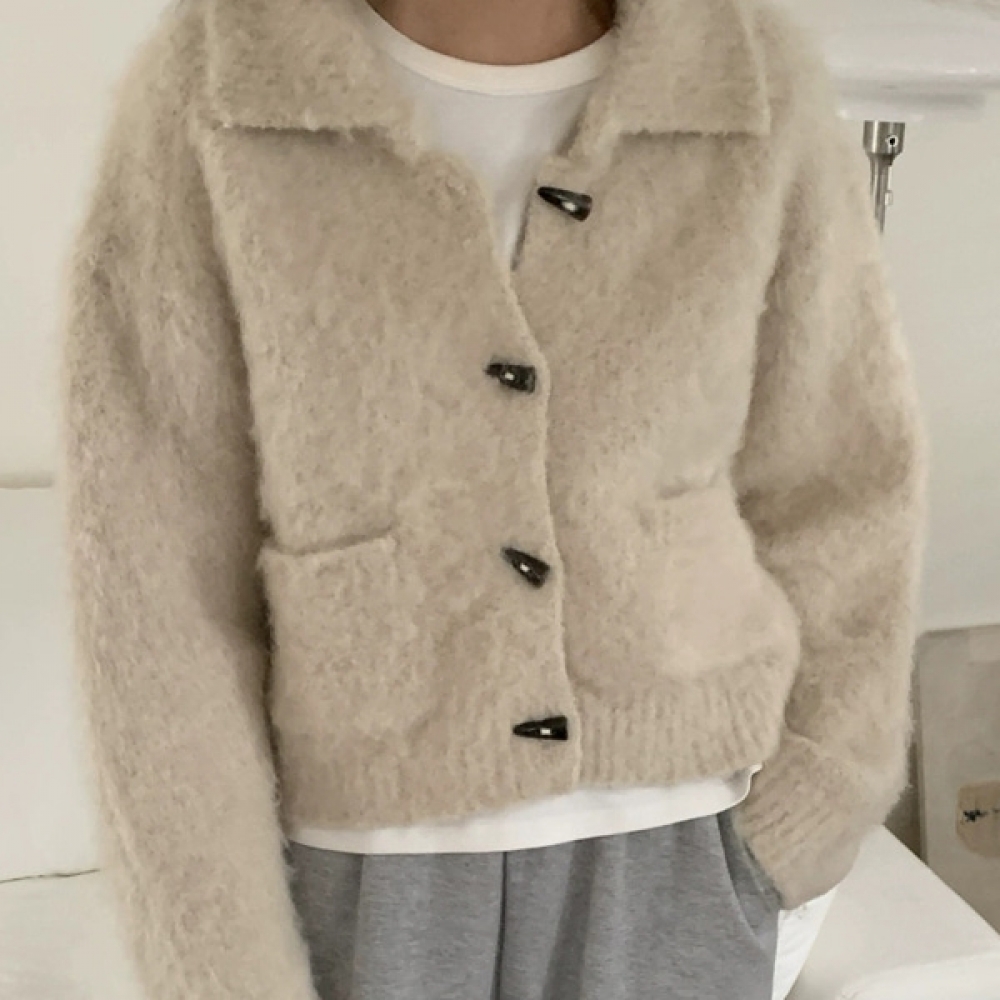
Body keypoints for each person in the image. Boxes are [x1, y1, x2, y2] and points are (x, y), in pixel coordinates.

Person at [55, 0, 927, 997]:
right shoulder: (218, 82)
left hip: (679, 858)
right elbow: (151, 576)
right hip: (358, 885)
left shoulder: (749, 77)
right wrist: (217, 958)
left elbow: (844, 477)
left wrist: (819, 795)